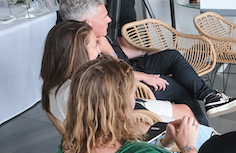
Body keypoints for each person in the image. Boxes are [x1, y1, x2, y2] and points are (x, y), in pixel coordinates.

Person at [59, 0, 236, 125]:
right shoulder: (85, 49)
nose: (109, 20)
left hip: (130, 68)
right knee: (179, 87)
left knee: (171, 56)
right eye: (104, 17)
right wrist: (145, 77)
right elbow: (116, 73)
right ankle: (204, 132)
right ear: (87, 23)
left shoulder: (93, 37)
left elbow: (118, 58)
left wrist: (145, 51)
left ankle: (209, 97)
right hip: (128, 84)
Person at [53, 58, 201, 153]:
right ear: (120, 104)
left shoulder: (67, 146)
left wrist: (165, 144)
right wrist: (188, 149)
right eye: (132, 92)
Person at [40, 19, 195, 124]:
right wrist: (111, 54)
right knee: (188, 120)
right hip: (125, 124)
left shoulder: (57, 84)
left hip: (116, 116)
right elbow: (126, 96)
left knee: (185, 110)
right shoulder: (87, 87)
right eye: (95, 45)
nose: (99, 48)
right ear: (80, 52)